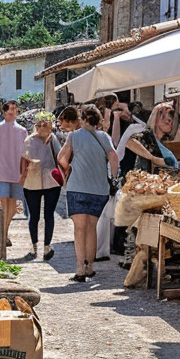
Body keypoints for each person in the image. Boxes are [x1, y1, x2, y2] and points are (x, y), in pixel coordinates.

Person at [58, 104, 119, 282]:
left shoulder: (74, 136)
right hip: (99, 189)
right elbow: (113, 157)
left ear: (83, 119)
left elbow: (61, 157)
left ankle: (79, 269)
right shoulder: (104, 137)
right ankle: (90, 267)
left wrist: (70, 168)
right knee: (91, 228)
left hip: (77, 187)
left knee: (79, 228)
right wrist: (114, 177)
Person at [0, 100, 28, 247]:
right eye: (11, 108)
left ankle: (4, 232)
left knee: (13, 208)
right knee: (3, 206)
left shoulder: (22, 131)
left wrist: (24, 173)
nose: (13, 111)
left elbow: (24, 154)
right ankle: (2, 235)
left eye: (15, 108)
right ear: (4, 111)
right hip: (0, 171)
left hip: (16, 172)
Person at [20, 111, 61, 261]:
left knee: (49, 214)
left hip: (51, 181)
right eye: (40, 124)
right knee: (34, 215)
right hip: (32, 181)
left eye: (46, 124)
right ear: (36, 126)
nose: (43, 127)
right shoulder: (29, 140)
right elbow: (25, 156)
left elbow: (60, 156)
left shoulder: (54, 139)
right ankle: (34, 245)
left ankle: (47, 247)